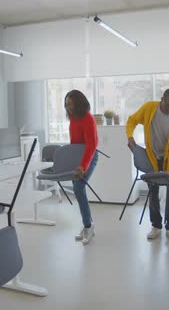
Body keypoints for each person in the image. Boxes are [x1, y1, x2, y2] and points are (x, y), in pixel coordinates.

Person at [126, 88, 169, 241]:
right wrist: (130, 136)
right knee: (153, 190)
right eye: (168, 106)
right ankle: (156, 226)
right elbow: (132, 120)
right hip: (152, 156)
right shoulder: (149, 108)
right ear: (162, 99)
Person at [65, 89, 99, 245]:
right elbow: (74, 142)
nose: (69, 108)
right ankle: (88, 225)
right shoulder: (72, 118)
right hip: (77, 158)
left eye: (71, 104)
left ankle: (88, 226)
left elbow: (92, 145)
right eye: (66, 105)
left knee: (78, 189)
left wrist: (83, 166)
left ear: (78, 102)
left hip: (89, 157)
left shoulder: (88, 118)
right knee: (78, 190)